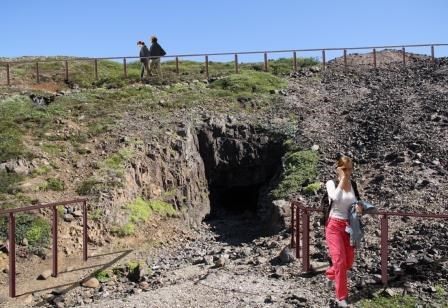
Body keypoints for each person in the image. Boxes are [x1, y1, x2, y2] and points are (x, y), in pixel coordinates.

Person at [325, 155, 363, 307]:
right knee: (340, 261)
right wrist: (341, 179)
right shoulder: (331, 183)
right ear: (339, 168)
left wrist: (360, 207)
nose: (348, 172)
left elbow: (356, 202)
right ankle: (341, 297)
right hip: (333, 226)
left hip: (349, 226)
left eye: (350, 169)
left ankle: (329, 274)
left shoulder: (353, 184)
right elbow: (334, 197)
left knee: (348, 262)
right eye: (345, 169)